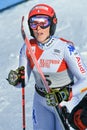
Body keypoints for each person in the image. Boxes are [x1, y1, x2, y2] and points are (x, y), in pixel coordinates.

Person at [7, 3, 87, 130]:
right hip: (40, 102)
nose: (38, 28)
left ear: (53, 23)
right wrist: (17, 78)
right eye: (34, 23)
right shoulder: (28, 47)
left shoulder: (65, 48)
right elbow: (22, 83)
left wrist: (65, 94)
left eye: (43, 22)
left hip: (65, 102)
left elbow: (85, 80)